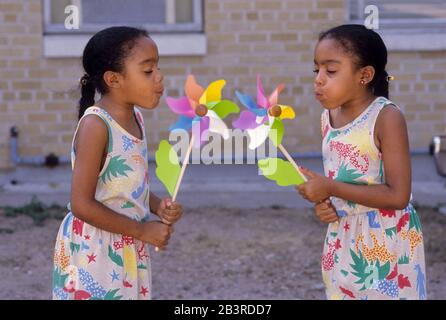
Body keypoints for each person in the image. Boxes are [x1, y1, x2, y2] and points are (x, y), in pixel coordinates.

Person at [296, 24, 426, 300]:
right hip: (342, 239)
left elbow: (398, 195)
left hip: (387, 240)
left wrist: (330, 187)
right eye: (316, 70)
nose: (319, 79)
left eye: (330, 71)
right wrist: (326, 206)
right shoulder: (326, 118)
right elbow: (343, 184)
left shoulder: (386, 118)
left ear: (364, 75)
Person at [52, 26, 183, 300]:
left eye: (157, 68)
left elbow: (124, 185)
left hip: (127, 242)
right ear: (113, 79)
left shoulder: (136, 118)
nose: (160, 77)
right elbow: (81, 204)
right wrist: (141, 230)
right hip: (95, 250)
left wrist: (157, 205)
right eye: (148, 71)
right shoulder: (96, 125)